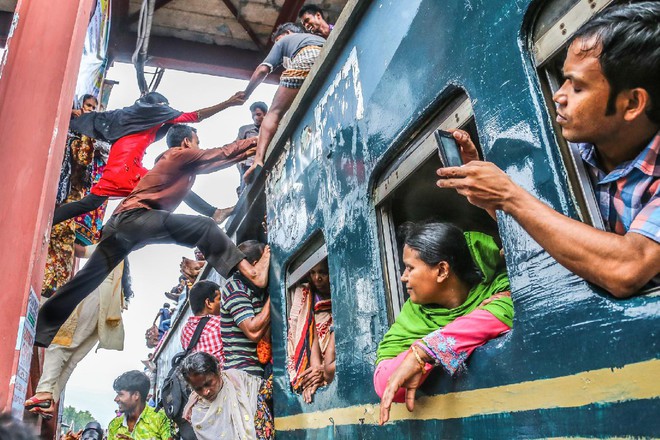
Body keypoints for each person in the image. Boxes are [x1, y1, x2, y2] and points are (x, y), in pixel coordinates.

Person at [437, 2, 660, 298]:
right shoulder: (573, 152)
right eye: (563, 78)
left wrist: (508, 195)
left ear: (632, 104)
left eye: (577, 87)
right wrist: (488, 194)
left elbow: (628, 269)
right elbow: (548, 229)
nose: (559, 95)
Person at [35, 124, 270, 348]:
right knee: (204, 228)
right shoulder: (178, 155)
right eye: (197, 142)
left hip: (121, 227)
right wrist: (259, 140)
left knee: (85, 280)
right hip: (136, 220)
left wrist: (216, 209)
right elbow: (220, 155)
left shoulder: (172, 166)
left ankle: (40, 331)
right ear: (187, 142)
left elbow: (203, 180)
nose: (199, 146)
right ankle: (252, 272)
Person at [377, 222, 514, 425]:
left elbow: (509, 309)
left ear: (442, 271)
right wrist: (427, 352)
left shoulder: (500, 287)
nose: (403, 277)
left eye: (409, 268)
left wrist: (425, 351)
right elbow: (384, 382)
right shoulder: (413, 313)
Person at [52, 91, 245, 225]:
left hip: (126, 165)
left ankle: (50, 219)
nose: (166, 111)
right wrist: (228, 103)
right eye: (164, 107)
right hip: (125, 169)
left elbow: (173, 123)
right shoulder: (146, 120)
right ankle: (213, 213)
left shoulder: (139, 122)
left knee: (90, 203)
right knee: (172, 185)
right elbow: (195, 116)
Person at [25, 243, 131, 419]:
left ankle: (44, 392)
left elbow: (80, 251)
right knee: (72, 357)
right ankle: (49, 401)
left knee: (59, 343)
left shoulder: (111, 243)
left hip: (95, 297)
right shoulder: (120, 254)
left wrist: (65, 234)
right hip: (107, 309)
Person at [238, 23, 325, 183]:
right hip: (325, 56)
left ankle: (258, 160)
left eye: (278, 39)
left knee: (273, 113)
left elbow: (262, 70)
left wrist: (246, 93)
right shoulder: (316, 37)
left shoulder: (285, 40)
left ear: (288, 32)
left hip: (305, 58)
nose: (277, 43)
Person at [220, 240, 274, 439]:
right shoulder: (235, 287)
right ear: (252, 264)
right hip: (243, 378)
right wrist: (275, 294)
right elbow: (253, 330)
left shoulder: (252, 289)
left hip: (255, 376)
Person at [181, 352, 262, 440]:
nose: (205, 392)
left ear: (218, 370)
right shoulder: (197, 413)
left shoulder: (240, 382)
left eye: (208, 383)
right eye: (198, 389)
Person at [287, 258, 335, 403]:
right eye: (312, 273)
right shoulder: (307, 296)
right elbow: (311, 335)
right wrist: (315, 369)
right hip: (322, 364)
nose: (317, 278)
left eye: (323, 273)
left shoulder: (340, 293)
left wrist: (325, 369)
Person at [108, 370, 172, 440]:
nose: (116, 399)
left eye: (120, 394)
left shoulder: (160, 419)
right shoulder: (114, 425)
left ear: (136, 395)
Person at [180, 280, 224, 361]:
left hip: (199, 372)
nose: (222, 303)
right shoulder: (220, 323)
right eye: (219, 299)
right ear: (208, 303)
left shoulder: (185, 331)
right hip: (223, 372)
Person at [236, 101, 268, 193]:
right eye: (253, 115)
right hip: (248, 164)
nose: (256, 118)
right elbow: (237, 146)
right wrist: (240, 161)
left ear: (265, 113)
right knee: (245, 190)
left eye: (258, 114)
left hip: (264, 162)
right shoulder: (245, 129)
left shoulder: (270, 127)